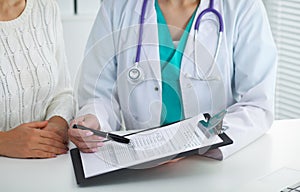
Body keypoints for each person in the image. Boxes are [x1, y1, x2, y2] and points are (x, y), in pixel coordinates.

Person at [69, 0, 277, 160]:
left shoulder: (242, 6)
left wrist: (201, 139)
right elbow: (98, 94)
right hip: (142, 168)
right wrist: (93, 120)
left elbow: (257, 104)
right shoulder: (118, 6)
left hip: (211, 164)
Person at [0, 0, 74, 158]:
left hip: (45, 164)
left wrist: (56, 126)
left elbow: (63, 92)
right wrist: (4, 142)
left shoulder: (46, 7)